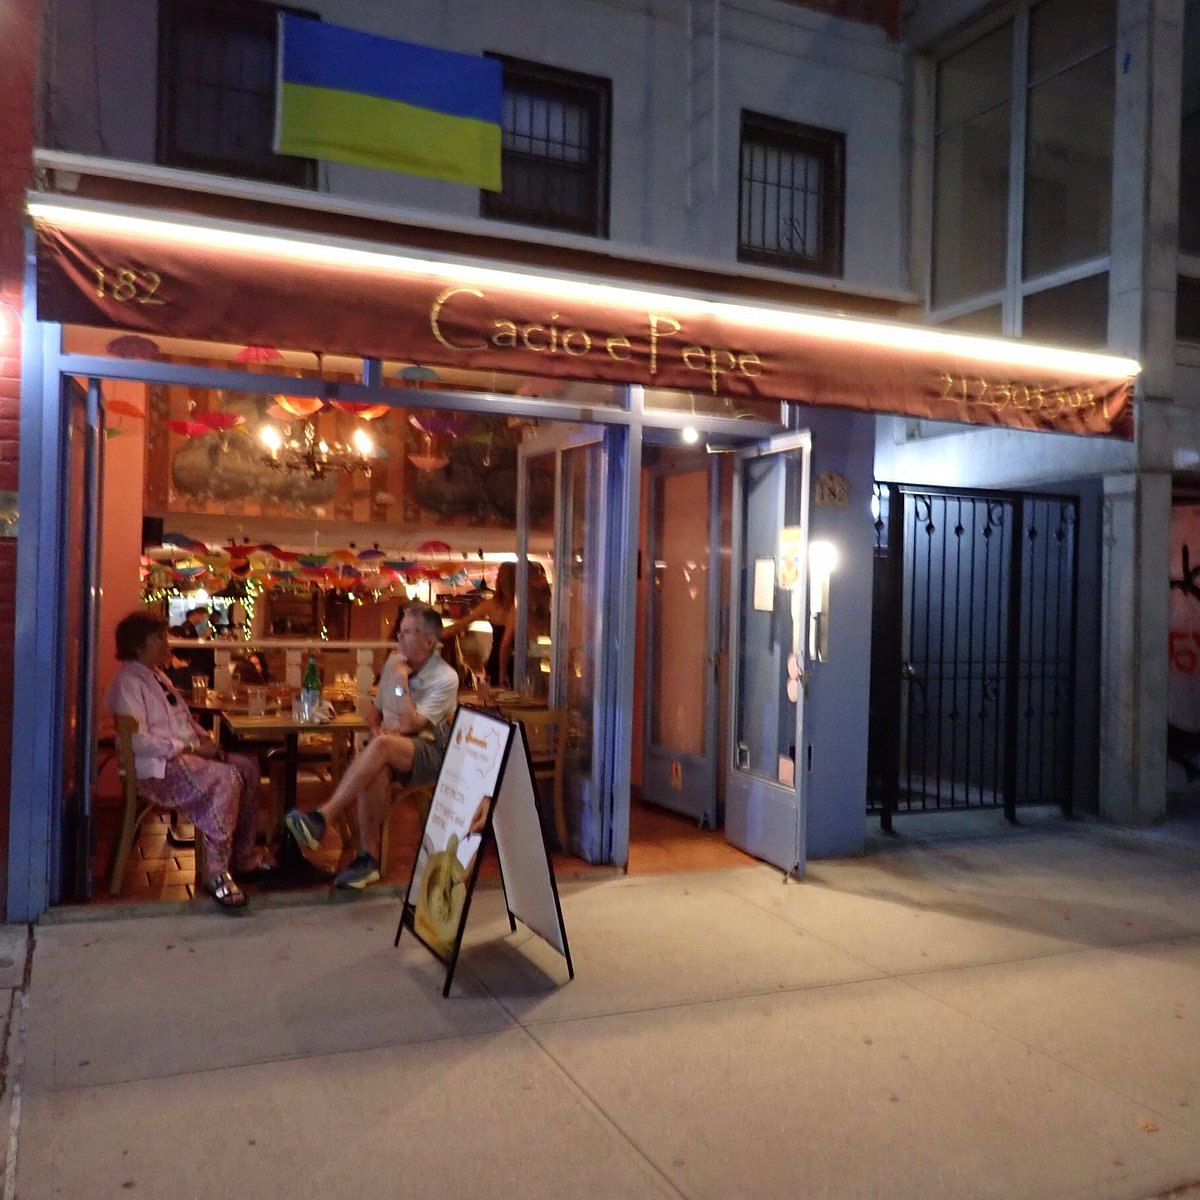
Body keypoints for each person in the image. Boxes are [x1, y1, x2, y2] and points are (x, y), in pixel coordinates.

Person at [285, 603, 459, 889]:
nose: (399, 638)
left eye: (407, 632)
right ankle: (368, 860)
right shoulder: (394, 663)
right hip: (393, 747)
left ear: (429, 641)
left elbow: (410, 724)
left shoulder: (444, 677)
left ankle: (323, 817)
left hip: (430, 751)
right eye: (400, 632)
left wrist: (400, 680)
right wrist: (377, 725)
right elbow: (375, 712)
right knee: (376, 766)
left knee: (382, 747)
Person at [105, 610, 269, 912]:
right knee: (226, 779)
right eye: (159, 637)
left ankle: (243, 857)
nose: (167, 641)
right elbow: (139, 742)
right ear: (138, 645)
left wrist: (202, 738)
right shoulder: (129, 682)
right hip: (157, 769)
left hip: (182, 755)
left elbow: (182, 720)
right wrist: (190, 748)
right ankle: (216, 872)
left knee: (247, 767)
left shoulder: (158, 676)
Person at [440, 561, 516, 686]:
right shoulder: (521, 607)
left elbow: (460, 625)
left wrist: (432, 635)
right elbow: (461, 625)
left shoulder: (491, 605)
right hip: (514, 661)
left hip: (498, 661)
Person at [498, 561, 552, 690]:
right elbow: (506, 644)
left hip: (527, 664)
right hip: (530, 663)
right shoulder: (525, 606)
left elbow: (506, 644)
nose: (540, 577)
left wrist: (502, 675)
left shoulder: (522, 606)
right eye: (536, 574)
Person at [167, 605, 216, 688]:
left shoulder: (191, 627)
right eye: (203, 617)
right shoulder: (187, 627)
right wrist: (204, 635)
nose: (203, 620)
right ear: (196, 615)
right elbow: (191, 644)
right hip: (191, 660)